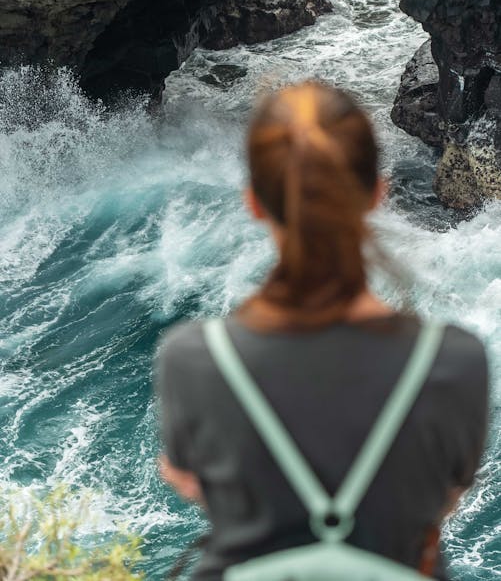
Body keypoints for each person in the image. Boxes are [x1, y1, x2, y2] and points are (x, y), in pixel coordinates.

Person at [156, 80, 488, 580]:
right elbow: (446, 496)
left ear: (254, 204)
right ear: (378, 193)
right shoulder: (453, 359)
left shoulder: (193, 357)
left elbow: (187, 478)